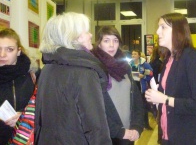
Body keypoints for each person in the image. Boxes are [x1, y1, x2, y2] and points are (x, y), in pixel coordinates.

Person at [35, 12, 112, 144]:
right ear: (72, 37)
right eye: (86, 32)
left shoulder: (47, 69)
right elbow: (95, 125)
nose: (91, 35)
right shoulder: (85, 72)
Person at [145, 13, 196, 144]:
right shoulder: (169, 59)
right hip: (169, 132)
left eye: (163, 27)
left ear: (177, 30)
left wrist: (164, 99)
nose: (157, 31)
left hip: (187, 135)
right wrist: (156, 98)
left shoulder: (192, 58)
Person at [92, 26, 144, 144]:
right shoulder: (93, 69)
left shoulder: (124, 67)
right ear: (99, 44)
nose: (112, 45)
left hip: (129, 134)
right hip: (107, 136)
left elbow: (136, 100)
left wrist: (137, 127)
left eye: (115, 40)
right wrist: (119, 132)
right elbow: (93, 110)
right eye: (106, 40)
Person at [0, 27, 38, 145]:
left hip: (25, 139)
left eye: (9, 49)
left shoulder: (34, 75)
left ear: (19, 51)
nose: (2, 54)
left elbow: (48, 106)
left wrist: (24, 117)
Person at [129, 49, 153, 130]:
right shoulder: (130, 64)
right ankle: (136, 125)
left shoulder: (144, 64)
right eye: (132, 54)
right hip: (133, 87)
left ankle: (146, 124)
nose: (133, 56)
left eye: (135, 54)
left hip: (142, 87)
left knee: (143, 107)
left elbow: (151, 73)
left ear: (139, 55)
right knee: (134, 107)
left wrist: (143, 76)